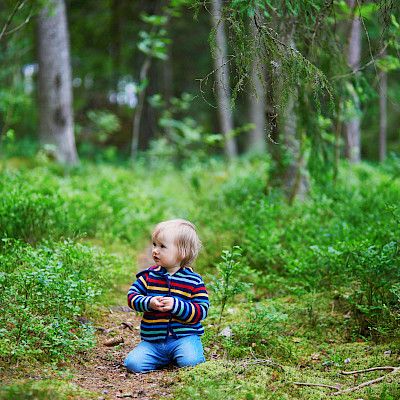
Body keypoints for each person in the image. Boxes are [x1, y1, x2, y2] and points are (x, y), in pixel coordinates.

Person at [124, 219, 209, 373]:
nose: (155, 250)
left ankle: (179, 354)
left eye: (162, 246)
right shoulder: (149, 276)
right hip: (154, 341)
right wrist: (148, 302)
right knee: (133, 364)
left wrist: (177, 306)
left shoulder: (194, 280)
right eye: (155, 244)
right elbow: (132, 296)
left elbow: (202, 310)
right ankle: (163, 358)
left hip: (184, 338)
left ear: (182, 252)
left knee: (192, 361)